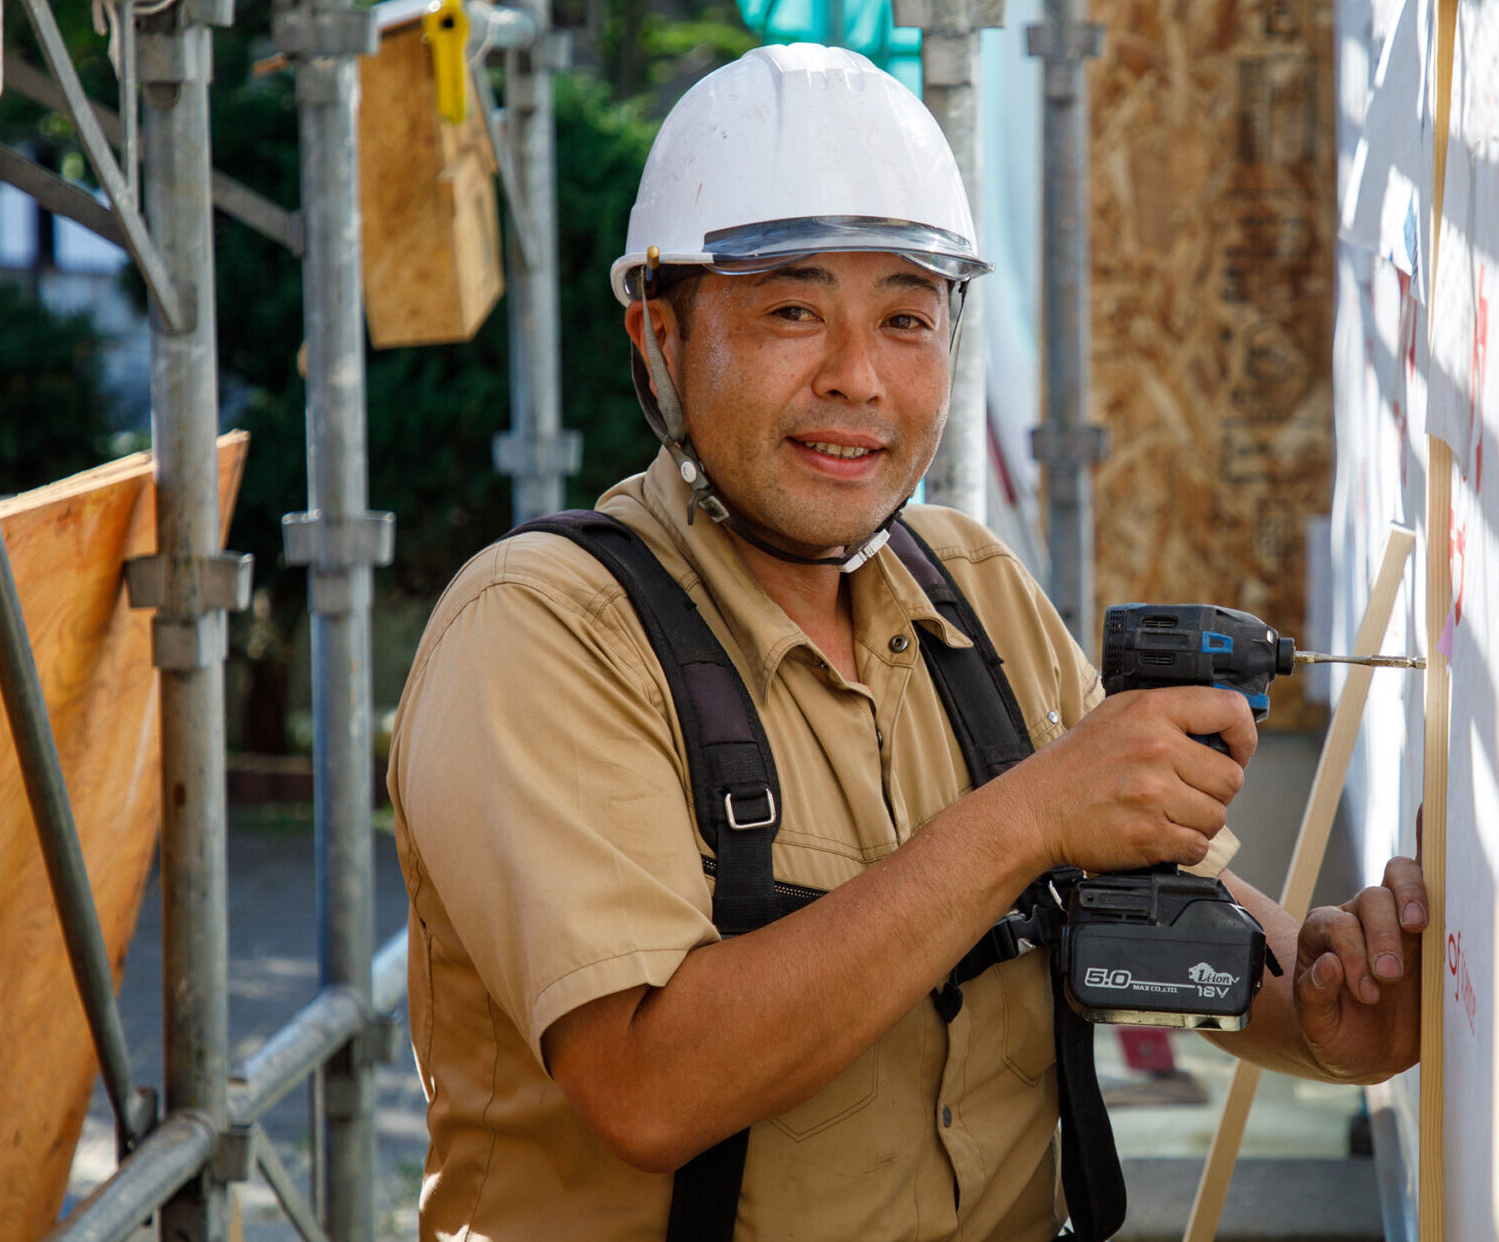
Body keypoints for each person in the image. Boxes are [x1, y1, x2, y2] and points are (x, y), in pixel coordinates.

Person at [387, 43, 1425, 1242]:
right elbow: (648, 1083)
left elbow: (1157, 904)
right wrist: (1029, 814)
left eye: (904, 317)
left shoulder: (970, 590)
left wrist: (1322, 1011)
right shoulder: (543, 628)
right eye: (789, 311)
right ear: (661, 340)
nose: (857, 379)